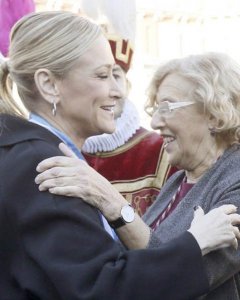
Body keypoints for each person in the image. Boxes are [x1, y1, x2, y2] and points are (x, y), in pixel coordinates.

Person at [0, 12, 240, 299]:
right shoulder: (46, 166)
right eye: (102, 75)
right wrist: (194, 243)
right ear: (50, 85)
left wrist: (110, 200)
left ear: (214, 113)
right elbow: (101, 287)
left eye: (168, 107)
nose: (117, 92)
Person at [82, 34, 177, 216]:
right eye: (100, 76)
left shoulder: (162, 150)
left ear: (128, 86)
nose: (110, 90)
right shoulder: (56, 148)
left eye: (115, 76)